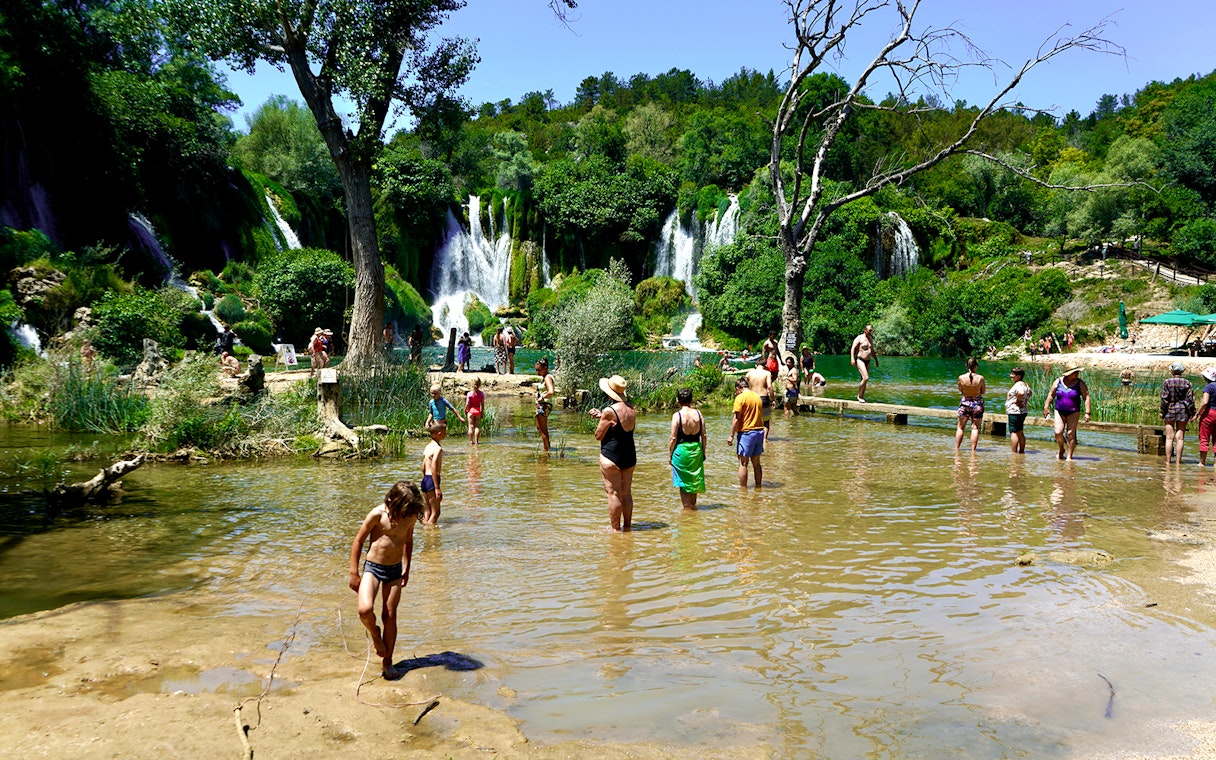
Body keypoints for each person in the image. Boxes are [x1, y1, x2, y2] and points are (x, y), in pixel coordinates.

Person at [348, 480, 423, 679]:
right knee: (364, 610)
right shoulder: (377, 514)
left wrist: (407, 568)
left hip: (395, 571)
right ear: (393, 502)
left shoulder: (411, 515)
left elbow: (408, 541)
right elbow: (358, 541)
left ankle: (388, 661)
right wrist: (354, 572)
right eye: (403, 510)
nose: (405, 515)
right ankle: (375, 634)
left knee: (390, 616)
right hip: (372, 568)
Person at [590, 375, 636, 532]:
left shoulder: (609, 411)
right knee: (626, 493)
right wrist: (601, 416)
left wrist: (601, 417)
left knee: (613, 493)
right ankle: (628, 527)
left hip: (611, 455)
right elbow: (619, 424)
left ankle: (615, 531)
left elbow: (598, 435)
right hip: (629, 454)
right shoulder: (631, 408)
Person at [1043, 363, 1091, 461]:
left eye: (1077, 372)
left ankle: (1069, 456)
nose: (1077, 374)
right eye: (1075, 372)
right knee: (1058, 432)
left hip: (1074, 411)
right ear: (1069, 373)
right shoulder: (1058, 381)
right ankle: (1061, 449)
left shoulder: (1080, 383)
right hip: (1059, 410)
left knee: (1070, 433)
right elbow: (1051, 394)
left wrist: (1087, 412)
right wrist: (1046, 407)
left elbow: (1086, 397)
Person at [668, 387, 706, 510]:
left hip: (681, 451)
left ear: (677, 400)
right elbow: (704, 435)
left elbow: (673, 438)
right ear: (692, 400)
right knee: (694, 480)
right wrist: (703, 452)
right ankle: (693, 509)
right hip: (696, 449)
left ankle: (687, 511)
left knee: (683, 483)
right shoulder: (699, 414)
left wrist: (670, 455)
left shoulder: (677, 415)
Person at [728, 377, 765, 488]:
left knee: (743, 463)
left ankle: (743, 489)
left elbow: (737, 419)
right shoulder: (757, 397)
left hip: (746, 433)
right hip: (759, 431)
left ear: (738, 388)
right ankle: (758, 486)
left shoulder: (740, 398)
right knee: (756, 463)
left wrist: (731, 435)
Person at [1160, 362, 1197, 465]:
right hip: (1183, 410)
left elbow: (1164, 399)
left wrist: (1162, 411)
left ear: (1172, 371)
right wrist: (1193, 413)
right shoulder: (1187, 383)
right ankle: (1178, 462)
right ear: (1182, 371)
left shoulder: (1167, 382)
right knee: (1180, 438)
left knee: (1169, 437)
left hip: (1169, 410)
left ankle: (1168, 462)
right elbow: (1190, 400)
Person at [954, 357, 987, 452]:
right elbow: (983, 391)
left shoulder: (961, 377)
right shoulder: (980, 378)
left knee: (960, 427)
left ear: (967, 366)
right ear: (976, 366)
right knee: (975, 428)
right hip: (977, 404)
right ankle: (973, 450)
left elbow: (960, 390)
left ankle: (957, 449)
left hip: (965, 403)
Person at [420, 422, 446, 525]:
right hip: (432, 480)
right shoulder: (438, 449)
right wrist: (437, 487)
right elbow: (434, 467)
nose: (446, 434)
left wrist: (425, 480)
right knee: (436, 513)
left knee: (427, 511)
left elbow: (423, 466)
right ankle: (430, 534)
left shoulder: (427, 447)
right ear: (439, 433)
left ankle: (425, 529)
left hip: (425, 479)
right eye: (445, 432)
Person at [745, 356, 773, 438]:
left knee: (751, 419)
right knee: (766, 421)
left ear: (756, 365)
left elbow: (743, 385)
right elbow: (770, 387)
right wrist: (773, 399)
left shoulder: (749, 373)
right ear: (765, 365)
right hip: (763, 398)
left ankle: (751, 437)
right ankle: (764, 440)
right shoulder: (767, 373)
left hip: (752, 398)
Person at [1005, 367, 1031, 455]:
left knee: (1013, 432)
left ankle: (1014, 453)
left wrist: (1018, 401)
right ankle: (1022, 451)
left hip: (1014, 411)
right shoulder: (1025, 384)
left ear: (1018, 376)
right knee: (1020, 431)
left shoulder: (1018, 385)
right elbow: (1030, 393)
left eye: (1013, 374)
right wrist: (1024, 401)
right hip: (1023, 411)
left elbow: (1021, 393)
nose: (1011, 376)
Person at [850, 324, 878, 402]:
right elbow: (853, 348)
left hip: (868, 361)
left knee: (864, 379)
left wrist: (876, 360)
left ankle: (862, 396)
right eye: (869, 330)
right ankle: (859, 395)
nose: (870, 332)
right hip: (860, 360)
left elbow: (872, 351)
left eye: (871, 330)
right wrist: (852, 358)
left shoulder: (870, 339)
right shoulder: (859, 338)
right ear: (865, 330)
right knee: (866, 377)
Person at [534, 358, 555, 451]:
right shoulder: (544, 378)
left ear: (545, 368)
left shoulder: (547, 377)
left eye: (539, 370)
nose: (537, 372)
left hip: (545, 405)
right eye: (536, 370)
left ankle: (546, 451)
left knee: (543, 430)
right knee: (539, 427)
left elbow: (551, 391)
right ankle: (548, 446)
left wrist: (542, 397)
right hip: (541, 404)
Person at [1197, 368, 1216, 466]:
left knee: (1204, 437)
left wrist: (1197, 413)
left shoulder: (1209, 387)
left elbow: (1205, 402)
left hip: (1209, 413)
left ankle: (1202, 462)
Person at [465, 377, 486, 445]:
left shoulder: (469, 394)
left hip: (471, 411)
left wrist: (466, 410)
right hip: (477, 411)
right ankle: (476, 441)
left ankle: (471, 441)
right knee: (477, 427)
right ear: (479, 384)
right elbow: (482, 404)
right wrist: (482, 412)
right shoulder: (481, 394)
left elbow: (467, 404)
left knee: (470, 427)